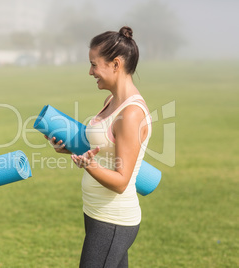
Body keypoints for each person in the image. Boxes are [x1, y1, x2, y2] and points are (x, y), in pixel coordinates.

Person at [46, 26, 152, 267]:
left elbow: (121, 181)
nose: (90, 71)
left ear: (115, 64)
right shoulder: (111, 101)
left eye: (94, 64)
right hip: (96, 213)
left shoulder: (131, 114)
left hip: (113, 219)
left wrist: (89, 166)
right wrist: (71, 147)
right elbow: (103, 149)